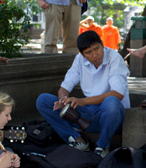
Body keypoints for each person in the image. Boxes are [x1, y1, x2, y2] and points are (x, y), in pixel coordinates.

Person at [36, 30, 129, 158]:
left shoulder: (114, 57)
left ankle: (102, 146)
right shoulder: (79, 59)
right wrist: (63, 101)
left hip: (110, 117)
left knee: (112, 102)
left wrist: (82, 101)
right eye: (88, 52)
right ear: (82, 54)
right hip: (86, 115)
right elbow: (64, 87)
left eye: (97, 49)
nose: (94, 54)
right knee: (43, 100)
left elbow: (117, 94)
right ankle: (77, 140)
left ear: (102, 45)